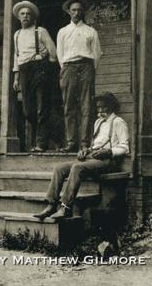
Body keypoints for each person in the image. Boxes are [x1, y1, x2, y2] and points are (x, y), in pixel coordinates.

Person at [33, 92, 129, 220]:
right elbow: (96, 144)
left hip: (109, 161)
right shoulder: (98, 122)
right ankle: (51, 205)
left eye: (103, 107)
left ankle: (66, 207)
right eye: (98, 108)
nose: (100, 111)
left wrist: (109, 151)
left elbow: (125, 147)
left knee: (77, 168)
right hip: (93, 158)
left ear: (111, 106)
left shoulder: (118, 122)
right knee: (60, 168)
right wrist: (85, 150)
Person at [57, 0, 101, 152]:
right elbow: (60, 54)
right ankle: (71, 142)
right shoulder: (63, 32)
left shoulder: (90, 31)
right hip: (69, 67)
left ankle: (84, 142)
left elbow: (96, 54)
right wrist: (67, 69)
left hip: (86, 67)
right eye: (73, 10)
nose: (76, 13)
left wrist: (88, 69)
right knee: (69, 105)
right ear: (69, 12)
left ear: (83, 12)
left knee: (86, 105)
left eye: (79, 10)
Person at [12, 0, 57, 152]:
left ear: (33, 17)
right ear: (18, 17)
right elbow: (16, 56)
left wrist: (43, 60)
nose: (25, 16)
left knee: (41, 107)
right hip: (24, 71)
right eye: (22, 14)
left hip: (39, 70)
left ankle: (40, 143)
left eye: (28, 14)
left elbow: (53, 53)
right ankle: (53, 136)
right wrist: (16, 78)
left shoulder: (40, 31)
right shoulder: (17, 35)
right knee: (28, 110)